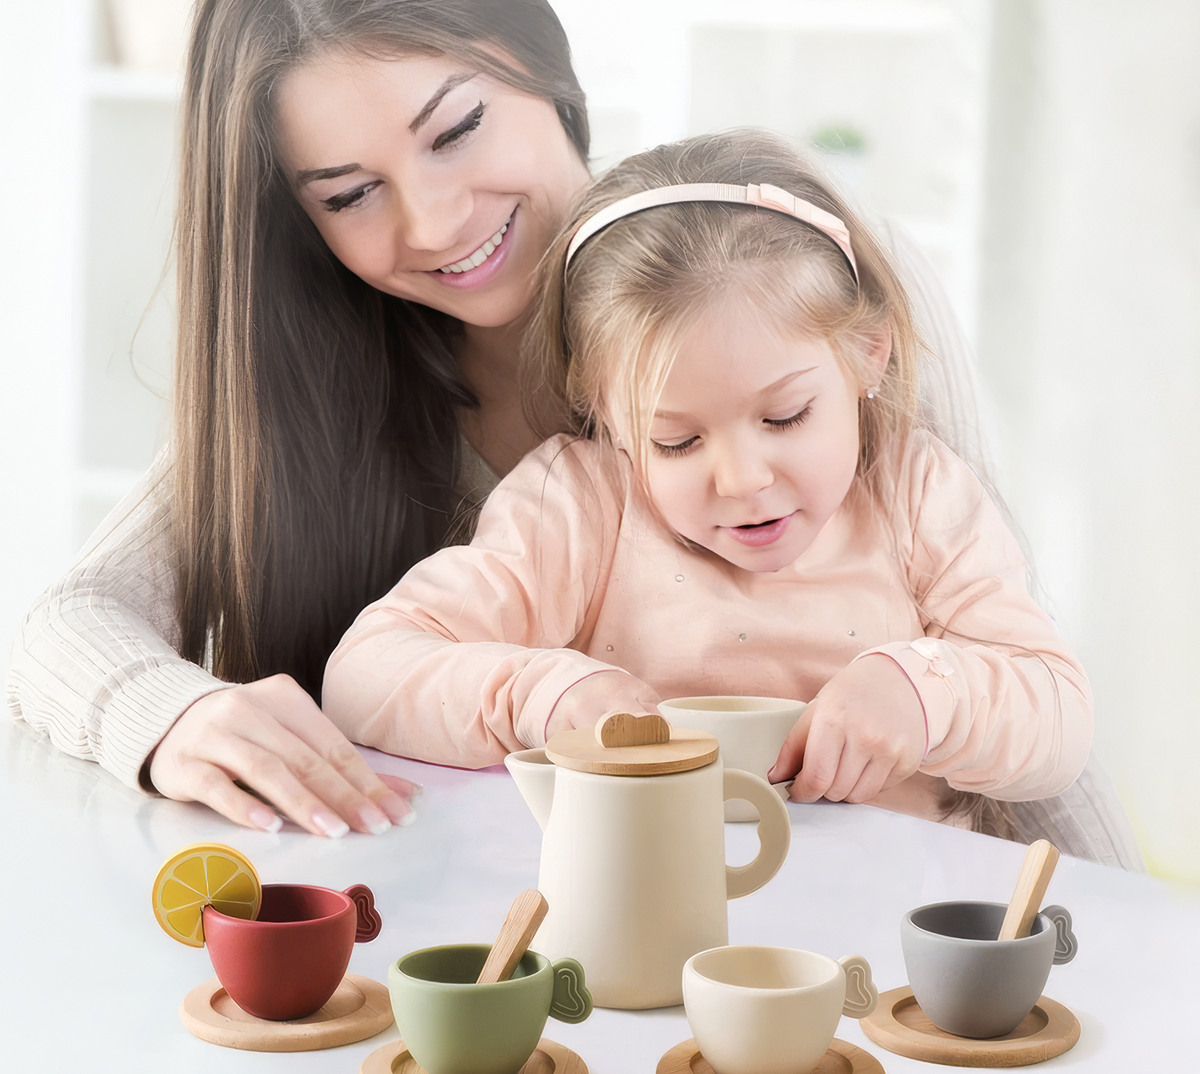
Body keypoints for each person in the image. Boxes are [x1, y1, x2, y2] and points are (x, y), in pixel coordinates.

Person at [4, 1, 1051, 846]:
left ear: (542, 65)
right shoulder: (339, 400)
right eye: (352, 193)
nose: (435, 221)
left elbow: (1031, 692)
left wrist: (1100, 963)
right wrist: (177, 714)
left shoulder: (800, 271)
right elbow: (65, 625)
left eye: (456, 129)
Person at [322, 130, 1113, 846]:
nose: (741, 480)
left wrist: (924, 692)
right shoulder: (581, 504)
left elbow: (1060, 723)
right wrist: (544, 693)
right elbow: (362, 678)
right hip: (654, 924)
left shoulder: (915, 490)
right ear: (608, 412)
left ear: (869, 354)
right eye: (678, 440)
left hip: (893, 939)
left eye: (786, 416)